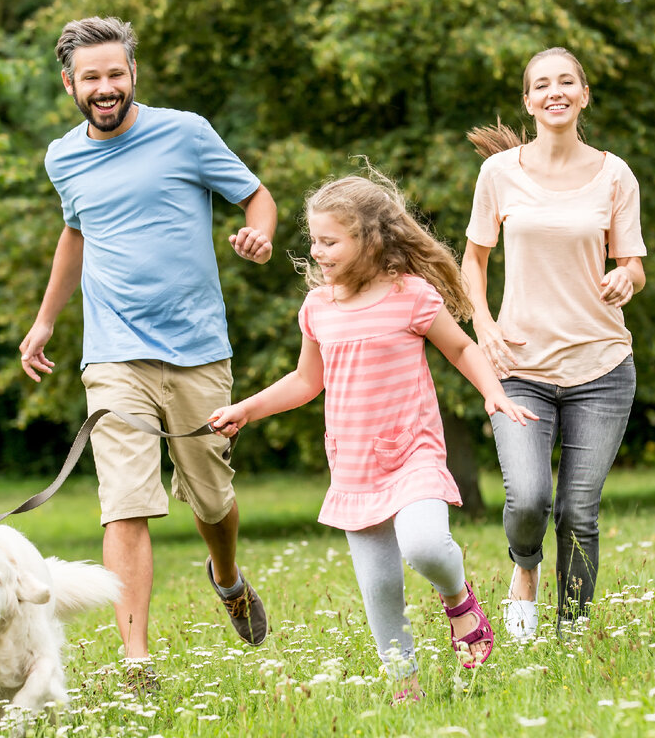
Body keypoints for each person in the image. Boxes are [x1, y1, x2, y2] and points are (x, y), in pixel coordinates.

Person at [208, 171, 537, 701]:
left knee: (427, 545)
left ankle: (458, 598)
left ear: (368, 238)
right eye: (313, 240)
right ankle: (403, 687)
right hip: (355, 463)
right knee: (380, 587)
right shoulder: (318, 309)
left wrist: (492, 391)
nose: (316, 251)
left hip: (413, 451)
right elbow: (305, 381)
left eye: (329, 241)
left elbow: (460, 349)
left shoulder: (411, 295)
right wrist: (247, 409)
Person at [18, 16, 277, 680]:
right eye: (91, 78)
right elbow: (76, 233)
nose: (105, 88)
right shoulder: (62, 156)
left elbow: (256, 197)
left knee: (212, 499)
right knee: (125, 501)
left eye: (116, 75)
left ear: (132, 75)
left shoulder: (185, 132)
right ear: (70, 83)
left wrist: (259, 235)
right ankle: (137, 660)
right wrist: (47, 319)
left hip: (197, 348)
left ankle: (226, 575)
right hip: (113, 353)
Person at [461, 47, 647, 639]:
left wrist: (626, 276)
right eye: (542, 84)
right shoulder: (499, 174)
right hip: (520, 369)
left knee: (578, 513)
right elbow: (473, 260)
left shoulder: (616, 174)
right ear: (528, 101)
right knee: (529, 502)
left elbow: (635, 266)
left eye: (567, 82)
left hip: (602, 367)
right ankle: (525, 569)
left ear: (584, 95)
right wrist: (483, 326)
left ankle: (569, 637)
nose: (555, 91)